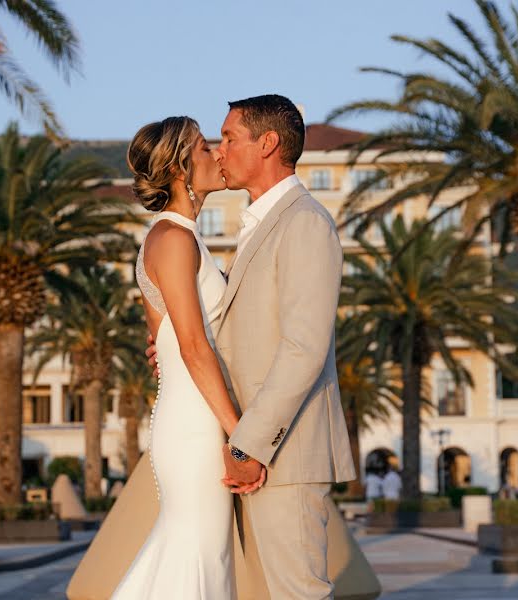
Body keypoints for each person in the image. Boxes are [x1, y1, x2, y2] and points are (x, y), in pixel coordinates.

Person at [148, 94, 356, 599]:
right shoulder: (254, 226)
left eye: (229, 138)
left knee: (298, 593)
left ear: (268, 144)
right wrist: (174, 345)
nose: (220, 151)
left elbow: (303, 348)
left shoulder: (304, 222)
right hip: (245, 448)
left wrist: (246, 444)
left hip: (281, 452)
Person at [112, 116, 264, 599]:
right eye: (203, 148)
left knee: (197, 553)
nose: (217, 153)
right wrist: (242, 439)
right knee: (197, 555)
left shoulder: (173, 238)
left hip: (186, 415)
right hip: (195, 423)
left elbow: (160, 342)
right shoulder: (174, 239)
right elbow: (194, 348)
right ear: (180, 168)